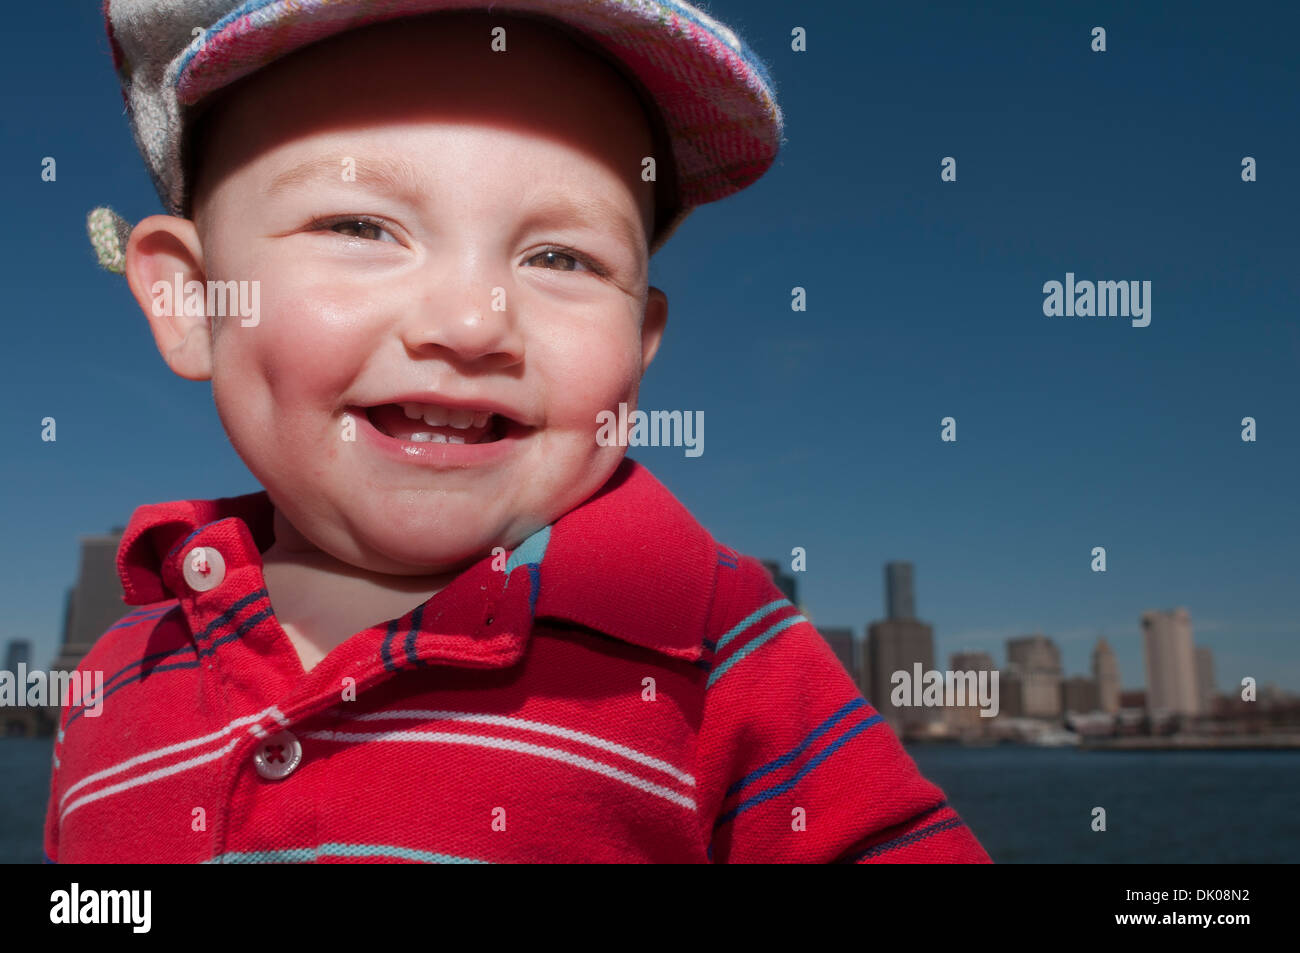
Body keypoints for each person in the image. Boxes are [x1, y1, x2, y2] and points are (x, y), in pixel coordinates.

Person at [48, 0, 991, 863]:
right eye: (361, 226)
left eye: (561, 257)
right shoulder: (109, 682)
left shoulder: (708, 642)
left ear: (642, 343)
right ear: (191, 300)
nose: (471, 322)